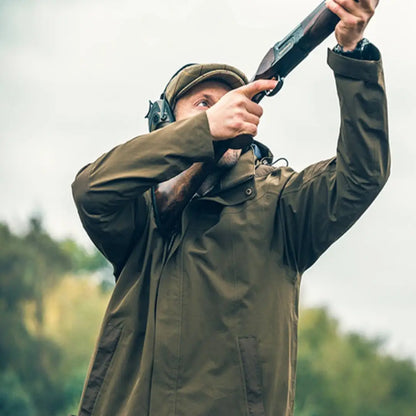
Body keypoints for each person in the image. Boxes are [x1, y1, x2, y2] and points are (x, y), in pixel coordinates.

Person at [71, 0, 389, 415]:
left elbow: (362, 175)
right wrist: (203, 133)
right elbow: (89, 190)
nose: (225, 112)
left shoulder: (281, 203)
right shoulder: (143, 211)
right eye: (204, 104)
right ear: (167, 125)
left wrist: (351, 52)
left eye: (233, 104)